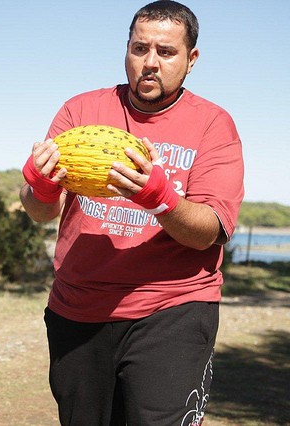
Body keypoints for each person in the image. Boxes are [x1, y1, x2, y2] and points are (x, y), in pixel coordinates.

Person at [20, 1, 244, 425]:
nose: (150, 63)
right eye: (140, 49)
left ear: (191, 59)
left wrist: (159, 198)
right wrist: (40, 185)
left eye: (166, 51)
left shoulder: (213, 124)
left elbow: (211, 230)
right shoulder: (80, 111)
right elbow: (40, 211)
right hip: (78, 310)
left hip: (172, 311)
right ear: (126, 48)